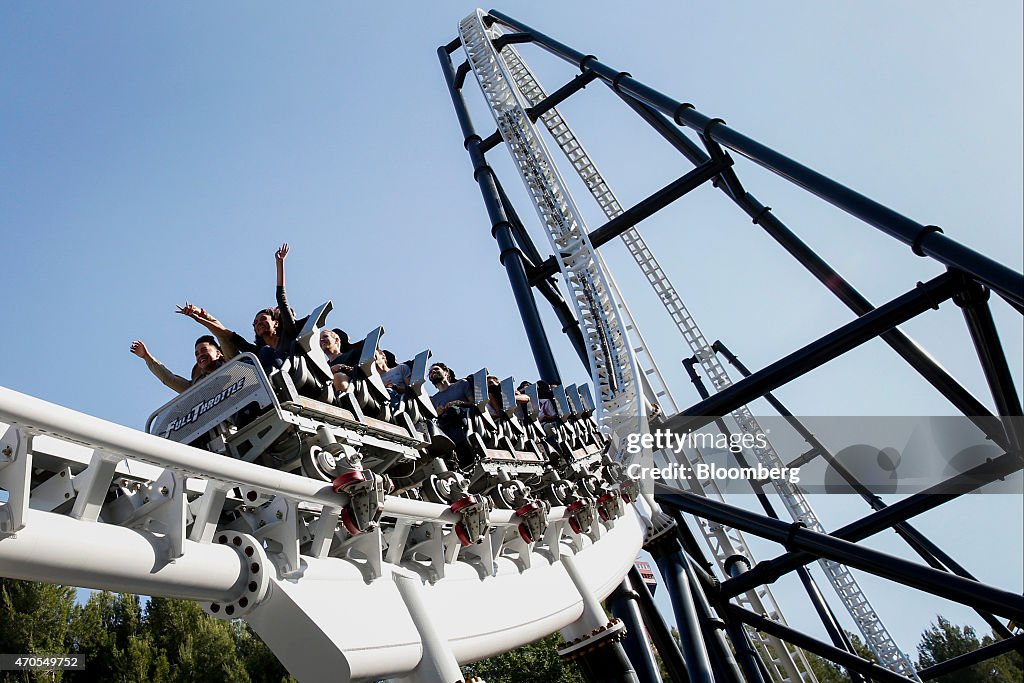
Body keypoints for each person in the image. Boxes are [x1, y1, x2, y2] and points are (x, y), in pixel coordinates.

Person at [130, 335, 227, 394]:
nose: (200, 355)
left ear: (218, 353)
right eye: (196, 354)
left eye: (204, 350)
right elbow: (169, 379)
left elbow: (222, 335)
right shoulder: (197, 385)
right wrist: (146, 356)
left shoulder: (232, 364)